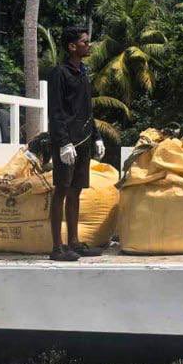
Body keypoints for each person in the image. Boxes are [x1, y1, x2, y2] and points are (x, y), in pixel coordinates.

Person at [46, 26, 106, 262]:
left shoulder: (83, 72)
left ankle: (74, 242)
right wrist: (62, 142)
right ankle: (57, 247)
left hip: (83, 139)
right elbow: (56, 110)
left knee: (76, 191)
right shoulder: (59, 73)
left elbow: (87, 109)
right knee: (61, 190)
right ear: (72, 46)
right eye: (84, 42)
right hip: (67, 141)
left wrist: (97, 136)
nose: (88, 45)